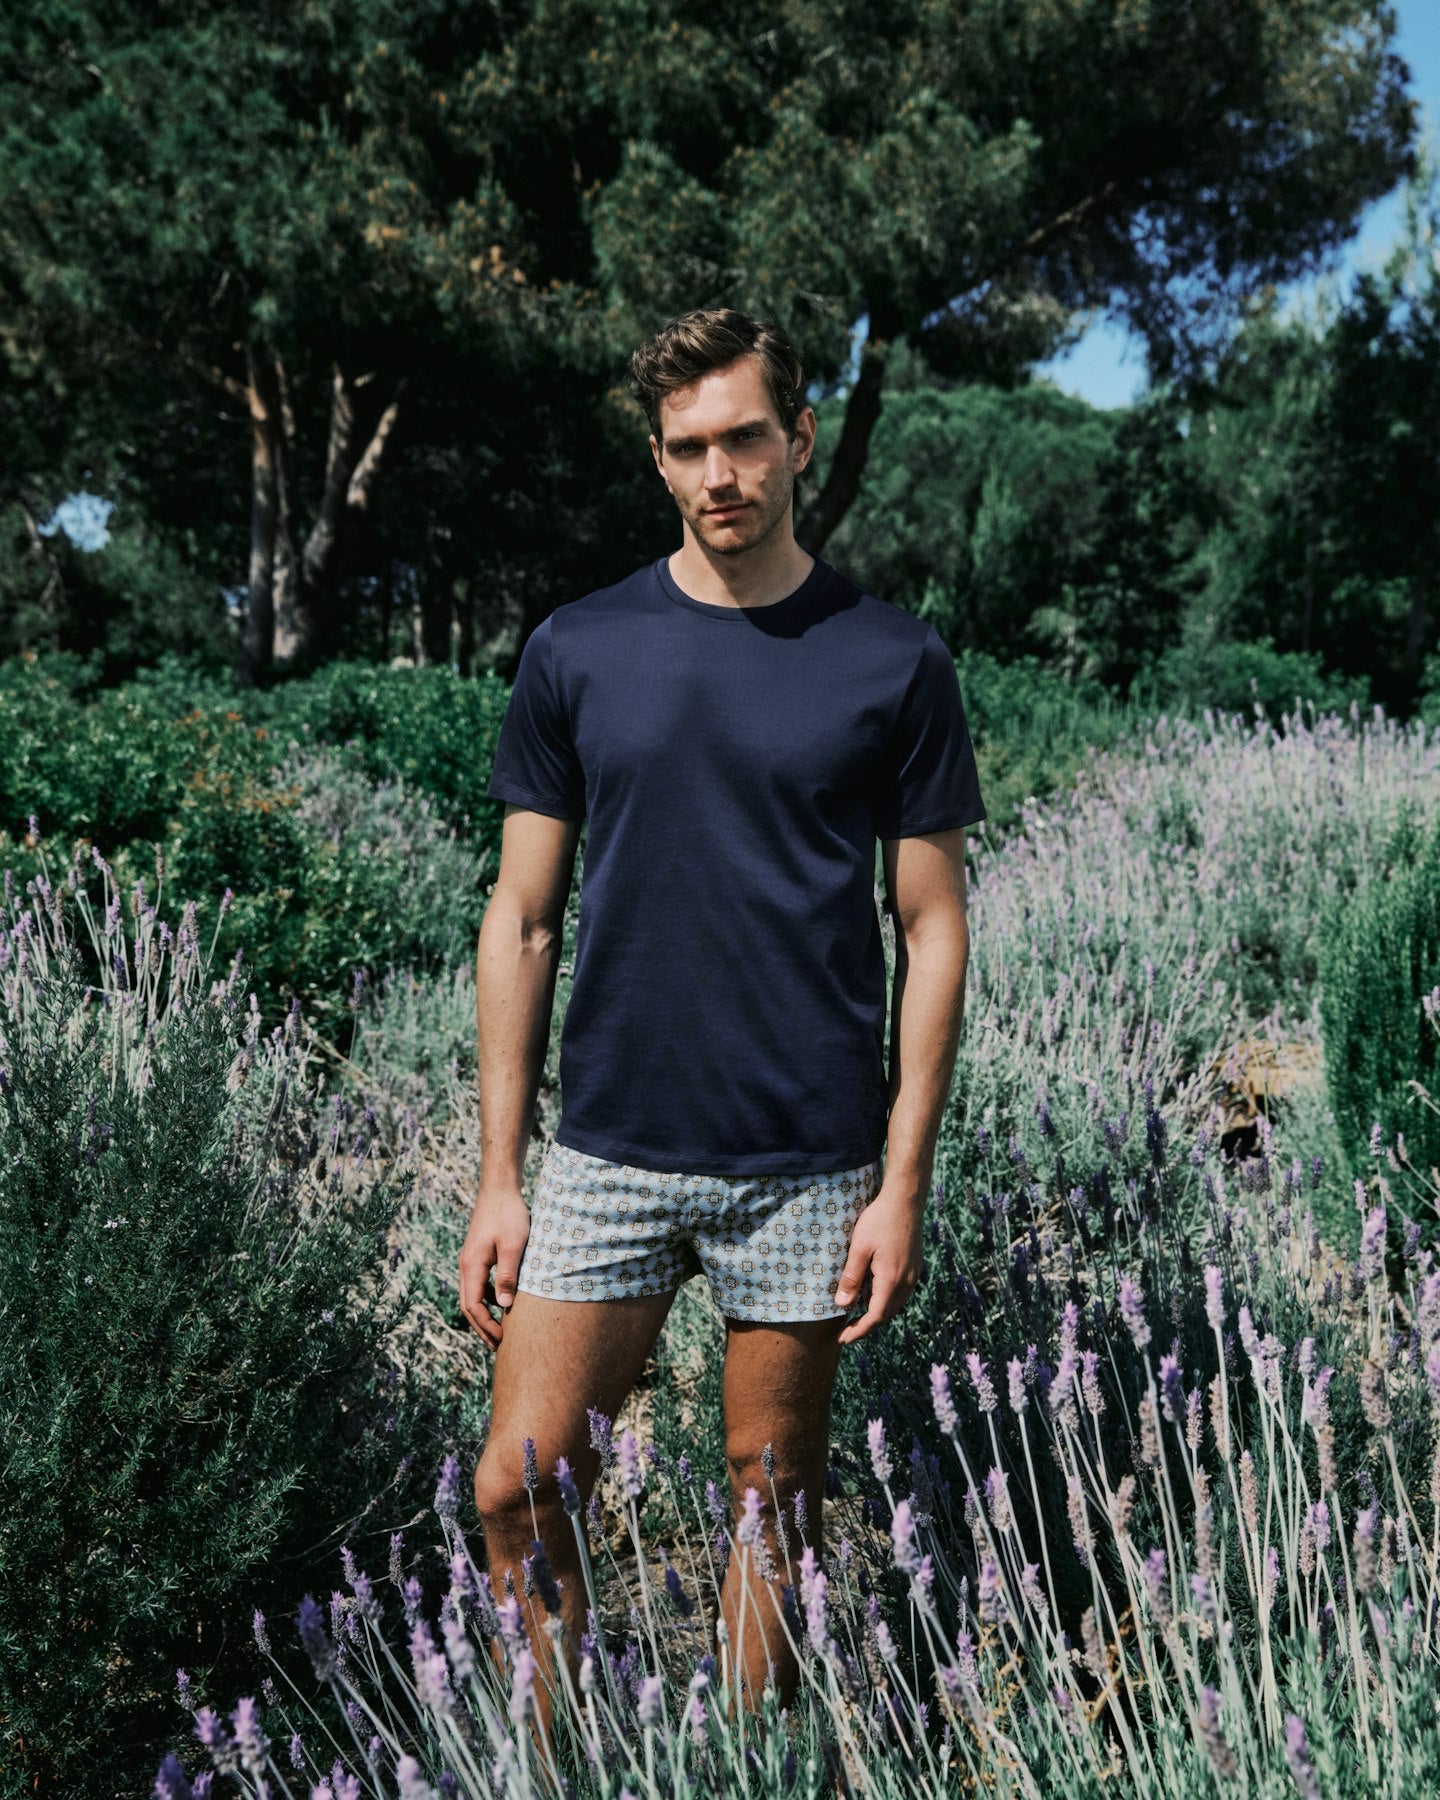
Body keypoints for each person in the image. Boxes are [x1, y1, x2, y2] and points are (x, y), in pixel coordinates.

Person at [460, 307, 984, 1734]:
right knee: (515, 1488)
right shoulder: (577, 648)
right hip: (608, 1152)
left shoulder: (893, 659)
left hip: (806, 1165)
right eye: (688, 447)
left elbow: (932, 929)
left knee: (773, 1503)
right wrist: (501, 1175)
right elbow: (521, 920)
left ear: (799, 438)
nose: (720, 473)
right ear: (658, 459)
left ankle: (747, 1768)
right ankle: (551, 1767)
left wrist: (902, 1185)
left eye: (746, 438)